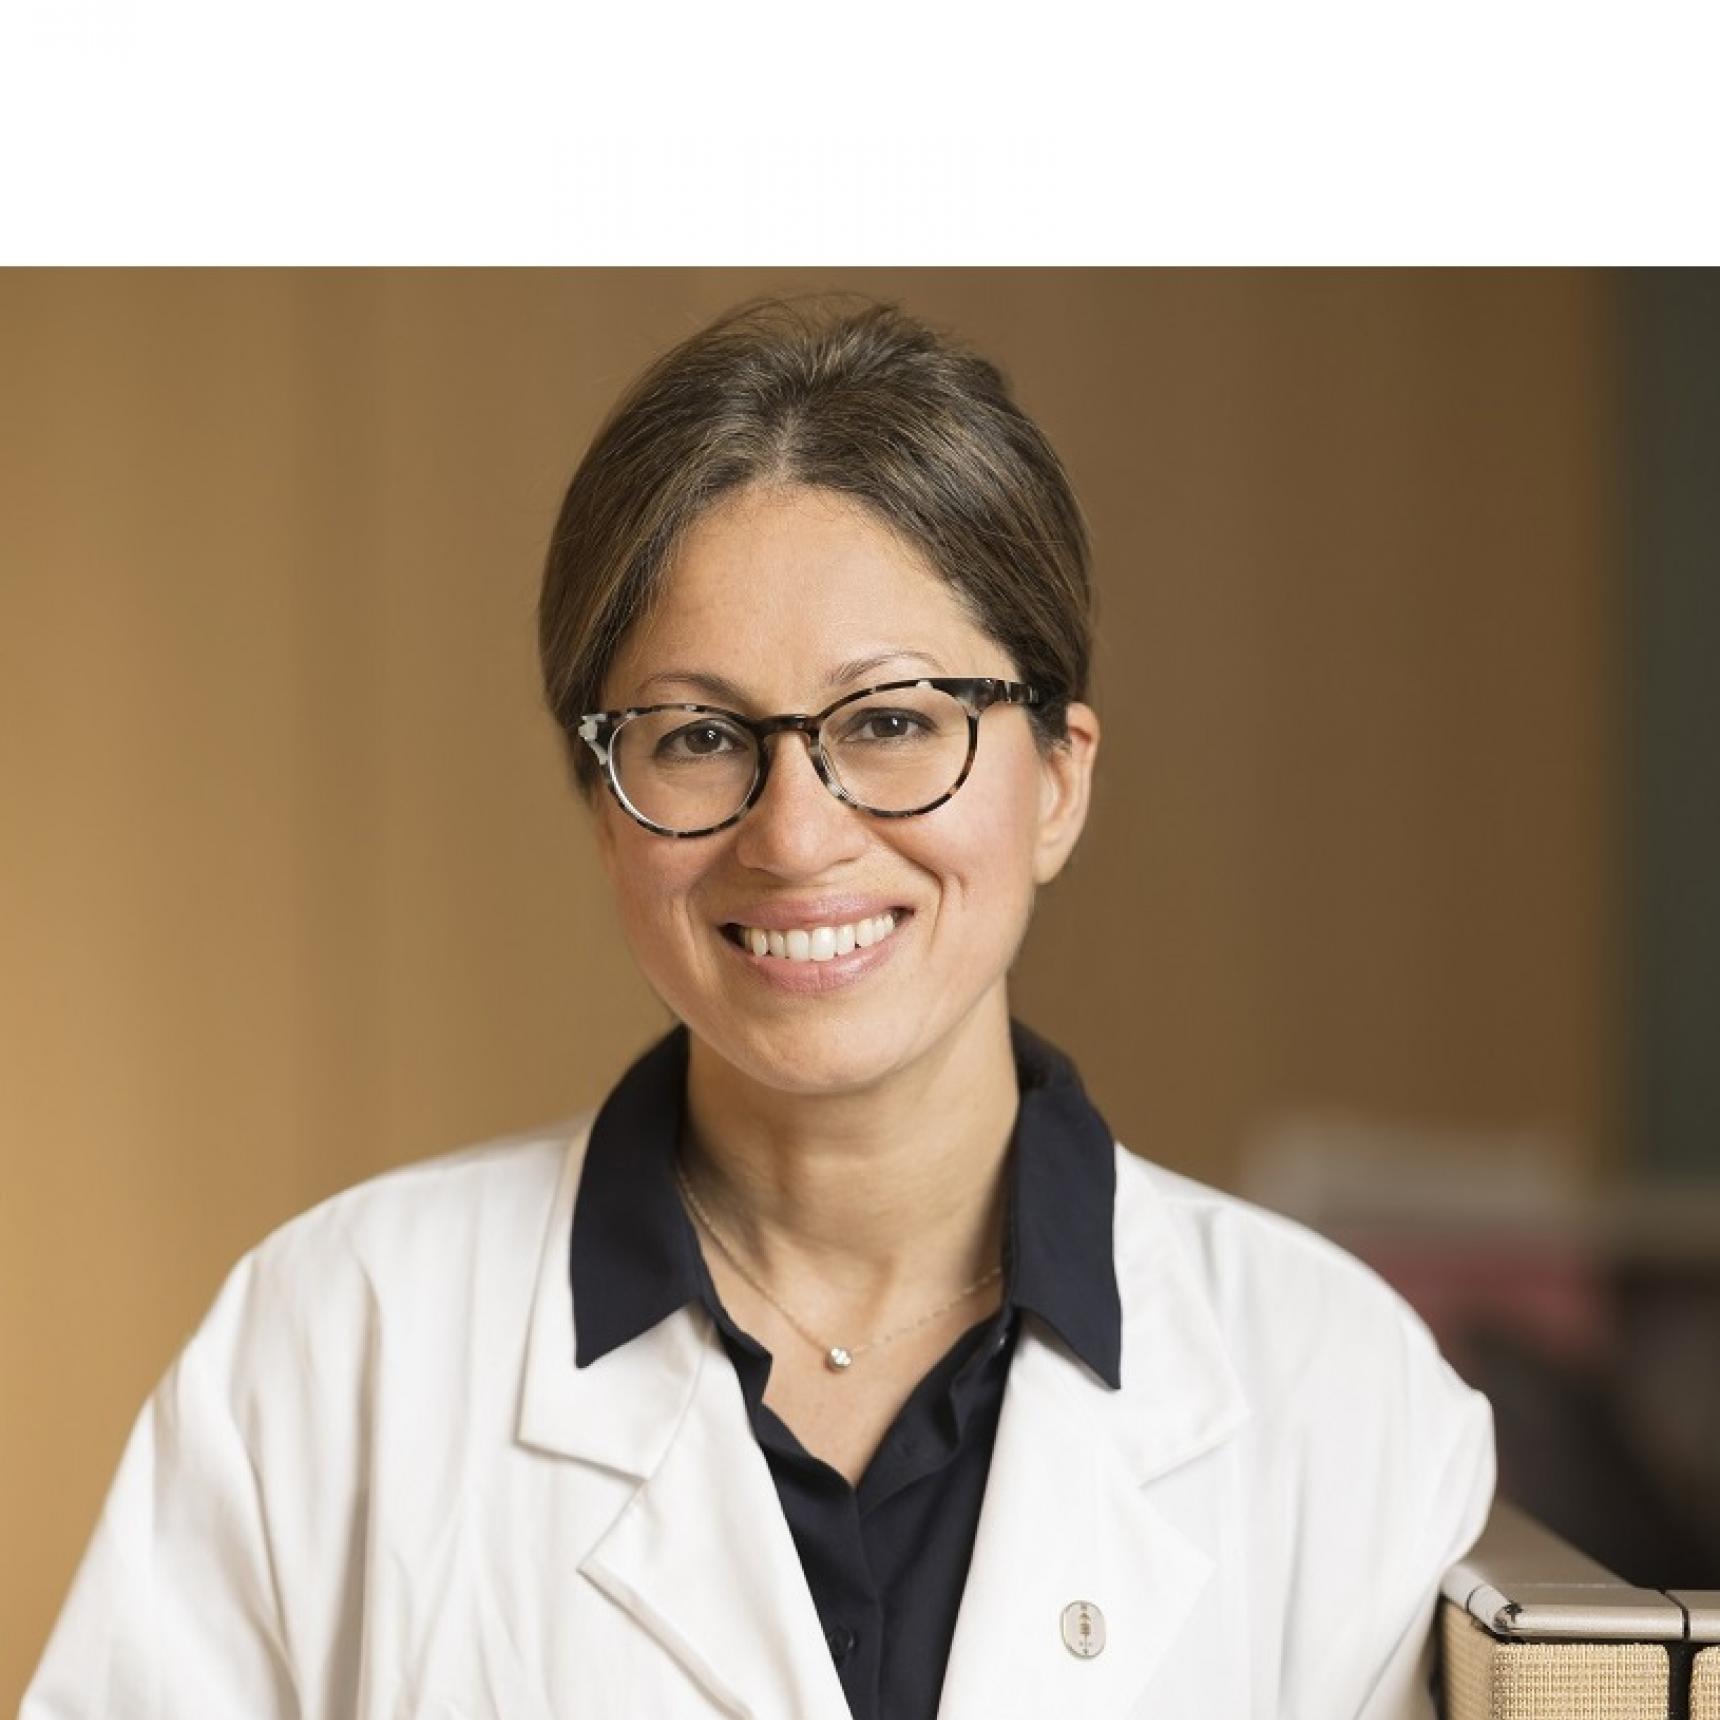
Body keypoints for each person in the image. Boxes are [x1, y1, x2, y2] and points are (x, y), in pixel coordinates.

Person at [24, 297, 1495, 1719]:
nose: (794, 835)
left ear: (1059, 779)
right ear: (602, 805)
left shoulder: (1341, 1394)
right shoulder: (335, 1344)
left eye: (896, 720)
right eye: (700, 737)